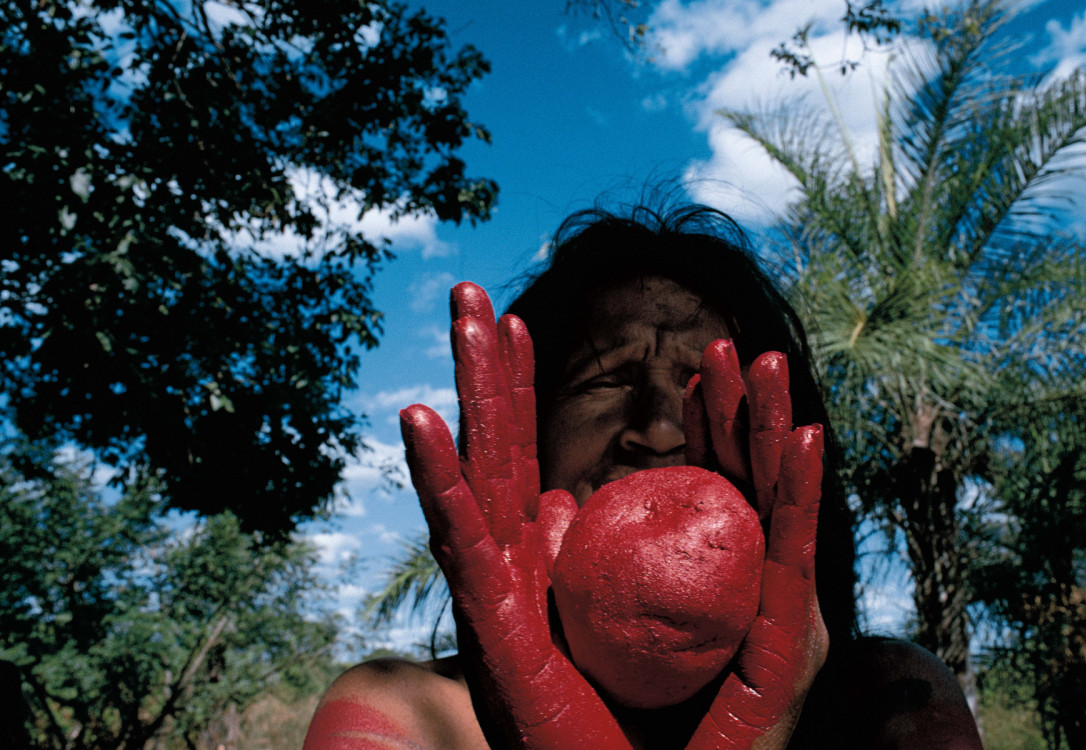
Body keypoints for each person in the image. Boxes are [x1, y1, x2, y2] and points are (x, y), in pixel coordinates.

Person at [302, 205, 984, 749]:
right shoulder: (404, 718)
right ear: (526, 429)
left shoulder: (885, 707)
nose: (658, 431)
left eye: (702, 391)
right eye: (609, 380)